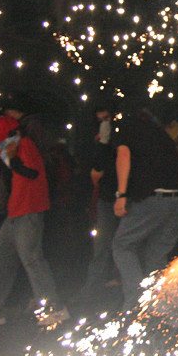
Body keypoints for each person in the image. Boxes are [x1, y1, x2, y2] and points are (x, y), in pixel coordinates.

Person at [0, 115, 69, 327]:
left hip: (28, 212)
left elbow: (30, 173)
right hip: (17, 213)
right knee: (0, 263)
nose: (0, 146)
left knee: (32, 261)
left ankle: (54, 310)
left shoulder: (25, 144)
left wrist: (11, 159)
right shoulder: (17, 144)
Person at [111, 107, 178, 312]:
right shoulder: (158, 132)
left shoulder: (126, 127)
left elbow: (123, 153)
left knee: (122, 245)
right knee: (157, 252)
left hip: (155, 196)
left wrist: (121, 194)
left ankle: (136, 303)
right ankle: (158, 307)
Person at [77, 102, 120, 303]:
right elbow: (96, 165)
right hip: (107, 195)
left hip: (122, 195)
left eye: (106, 119)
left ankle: (116, 280)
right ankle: (95, 285)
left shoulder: (120, 139)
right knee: (103, 243)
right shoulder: (98, 142)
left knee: (120, 243)